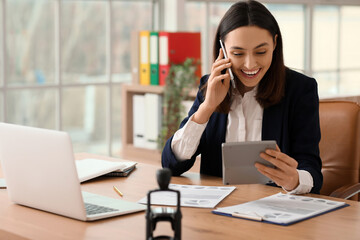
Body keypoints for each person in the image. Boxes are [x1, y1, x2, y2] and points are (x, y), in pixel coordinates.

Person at [161, 0, 322, 194]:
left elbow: (312, 171)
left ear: (275, 44)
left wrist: (295, 180)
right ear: (223, 49)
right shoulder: (211, 85)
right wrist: (208, 106)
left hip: (274, 213)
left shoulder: (300, 89)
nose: (250, 64)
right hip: (219, 210)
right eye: (238, 53)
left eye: (261, 52)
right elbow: (172, 164)